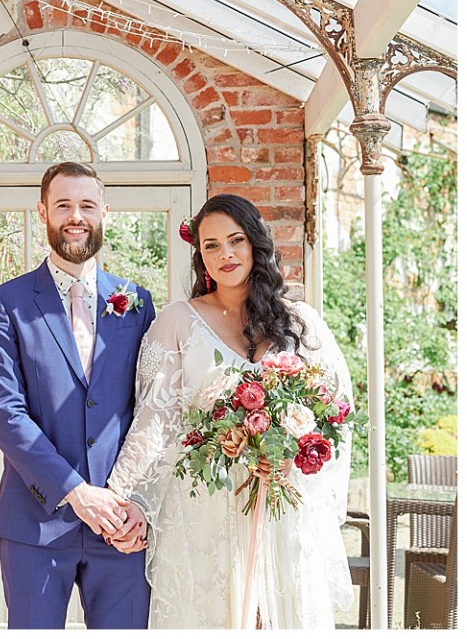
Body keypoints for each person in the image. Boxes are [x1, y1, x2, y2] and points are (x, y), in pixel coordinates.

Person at [105, 194, 354, 628]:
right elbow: (155, 421)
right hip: (204, 513)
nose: (226, 254)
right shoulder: (177, 321)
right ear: (199, 255)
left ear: (255, 244)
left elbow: (335, 415)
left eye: (236, 240)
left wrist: (291, 461)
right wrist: (128, 500)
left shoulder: (302, 323)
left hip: (281, 505)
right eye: (211, 245)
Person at [0, 161, 156, 628]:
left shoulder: (137, 303)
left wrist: (137, 502)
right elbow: (5, 413)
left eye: (87, 205)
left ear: (105, 213)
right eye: (63, 205)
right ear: (43, 212)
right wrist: (77, 493)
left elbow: (152, 412)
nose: (76, 216)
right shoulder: (7, 303)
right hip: (35, 524)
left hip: (121, 524)